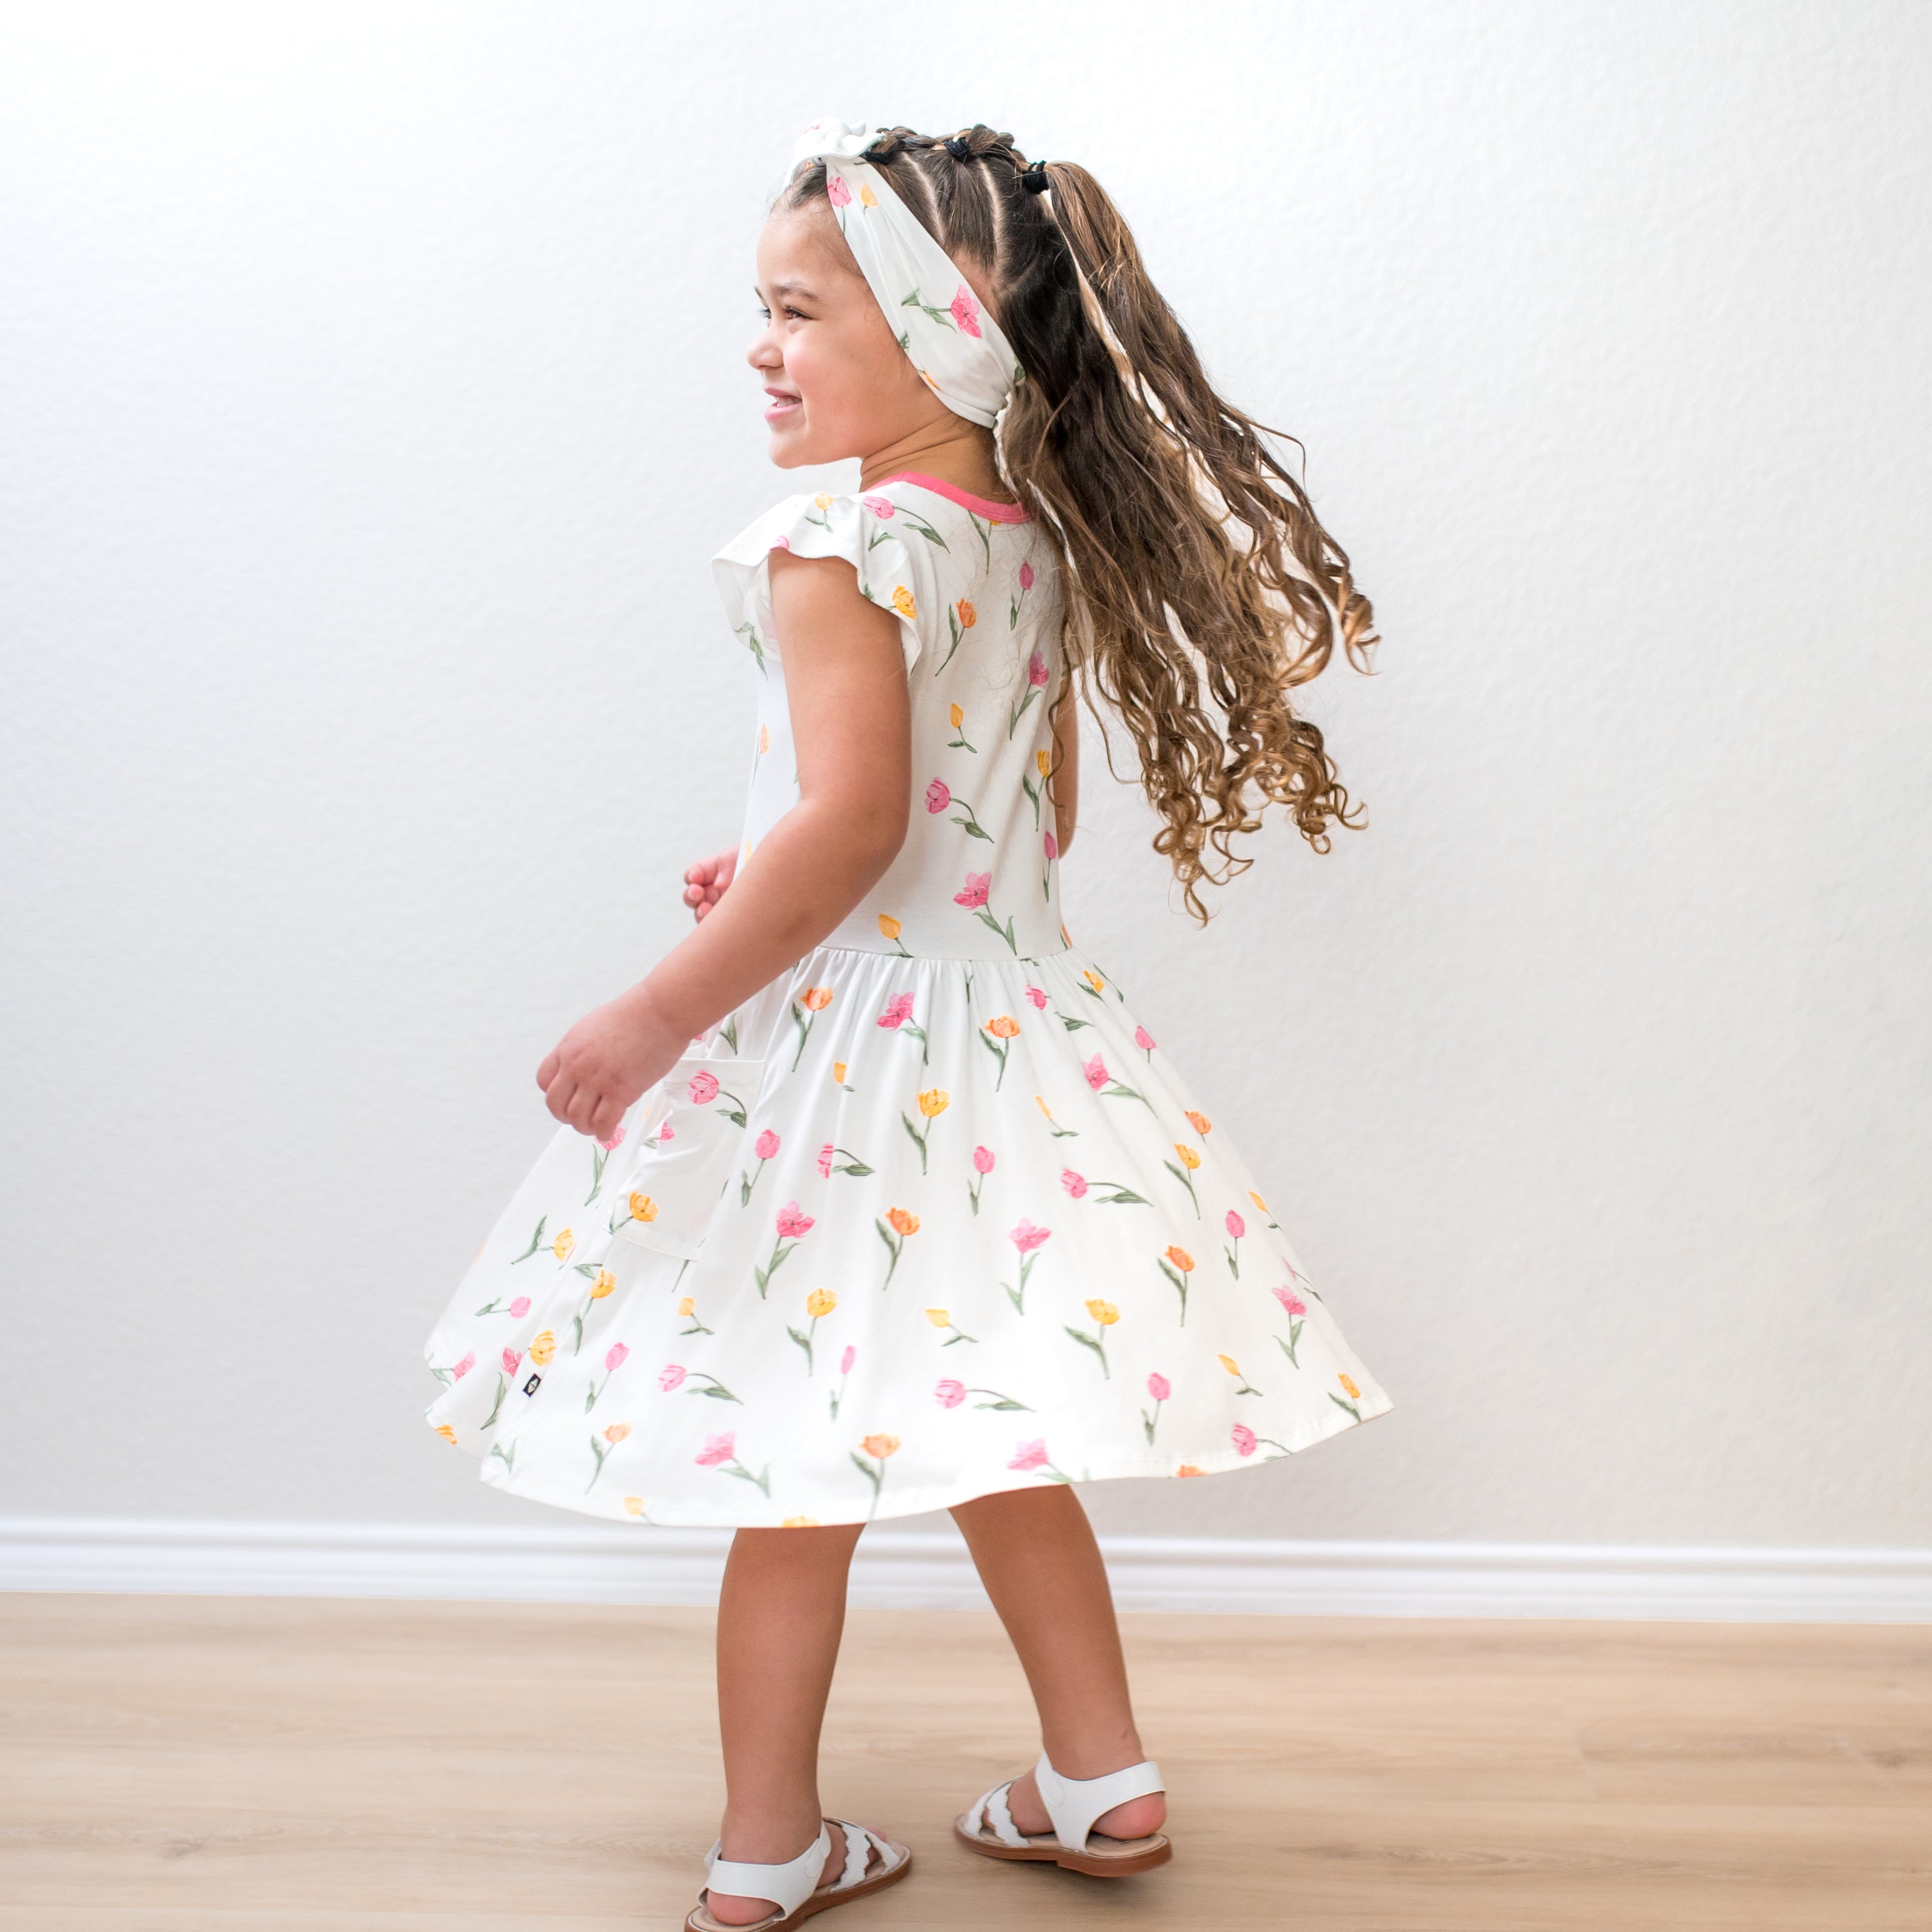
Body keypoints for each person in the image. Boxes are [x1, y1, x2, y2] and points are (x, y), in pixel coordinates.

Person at [424, 117, 1392, 1932]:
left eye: (795, 309)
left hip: (850, 1073)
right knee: (997, 1417)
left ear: (942, 327)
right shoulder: (1019, 539)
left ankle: (764, 1849)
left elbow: (860, 823)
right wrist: (780, 844)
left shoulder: (836, 533)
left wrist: (652, 1012)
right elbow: (1006, 821)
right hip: (1011, 1046)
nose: (757, 346)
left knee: (793, 1445)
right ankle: (1099, 1783)